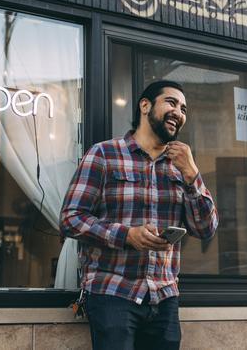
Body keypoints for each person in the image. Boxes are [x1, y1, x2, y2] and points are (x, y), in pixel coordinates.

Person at [59, 80, 219, 350]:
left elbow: (206, 229)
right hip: (113, 292)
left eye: (183, 108)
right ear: (145, 105)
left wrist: (192, 175)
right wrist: (126, 235)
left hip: (164, 297)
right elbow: (70, 218)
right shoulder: (104, 154)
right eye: (171, 102)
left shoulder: (182, 167)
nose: (178, 112)